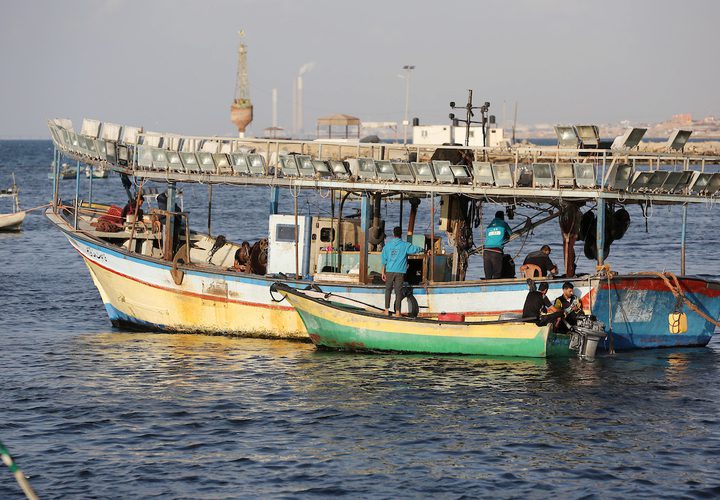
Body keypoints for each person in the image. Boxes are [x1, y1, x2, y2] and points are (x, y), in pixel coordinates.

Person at [381, 226, 424, 316]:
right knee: (398, 291)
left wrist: (382, 272)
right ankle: (397, 312)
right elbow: (415, 249)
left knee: (388, 290)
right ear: (401, 234)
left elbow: (384, 260)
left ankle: (386, 310)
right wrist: (423, 250)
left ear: (393, 234)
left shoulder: (387, 246)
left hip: (389, 271)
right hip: (400, 272)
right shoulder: (405, 245)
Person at [483, 210, 512, 279]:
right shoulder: (503, 223)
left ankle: (487, 288)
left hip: (486, 251)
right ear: (502, 217)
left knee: (488, 275)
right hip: (496, 251)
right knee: (497, 274)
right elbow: (510, 233)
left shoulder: (489, 226)